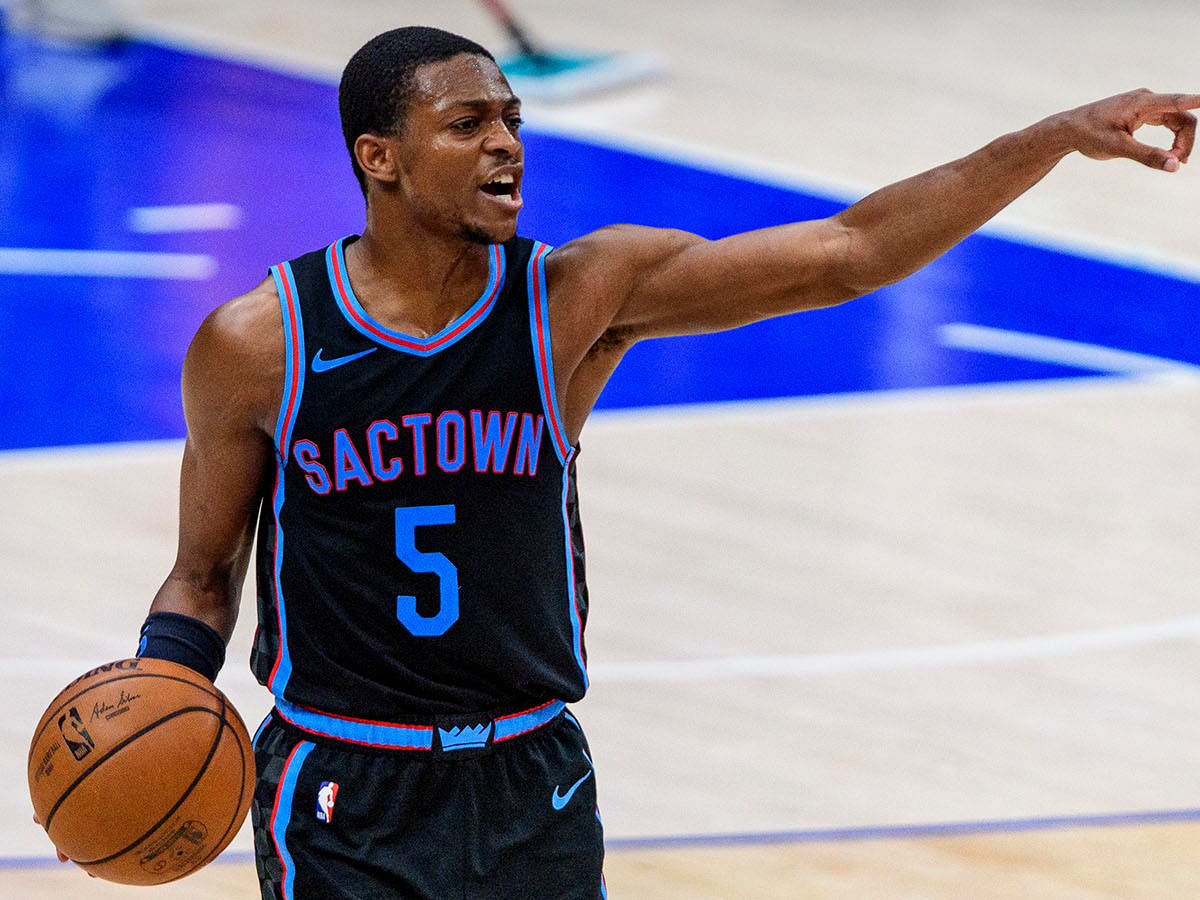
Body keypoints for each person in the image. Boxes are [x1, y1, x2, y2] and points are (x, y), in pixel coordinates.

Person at [40, 24, 1197, 900]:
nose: (504, 142)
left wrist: (1050, 139)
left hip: (531, 779)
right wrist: (165, 699)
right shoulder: (260, 341)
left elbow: (853, 252)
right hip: (344, 791)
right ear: (378, 158)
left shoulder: (575, 298)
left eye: (511, 120)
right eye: (467, 125)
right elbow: (202, 575)